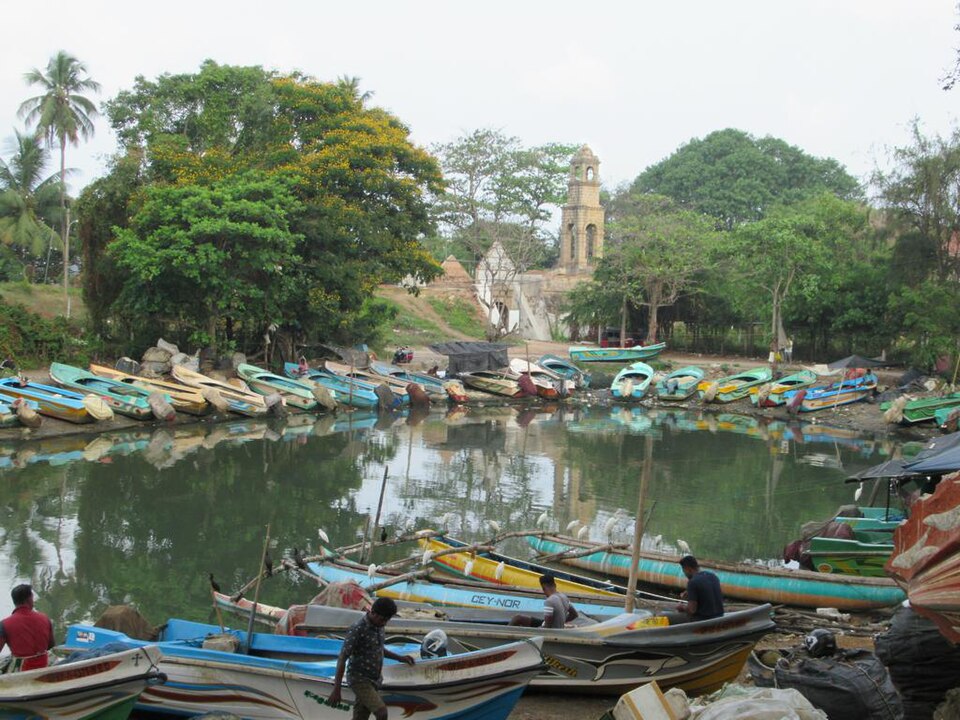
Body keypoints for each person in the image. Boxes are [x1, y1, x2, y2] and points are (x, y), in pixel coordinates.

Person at [329, 597, 415, 719]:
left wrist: (400, 658)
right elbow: (342, 657)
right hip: (359, 679)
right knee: (381, 712)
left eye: (387, 620)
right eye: (382, 619)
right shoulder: (358, 629)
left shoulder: (379, 626)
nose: (384, 623)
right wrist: (336, 689)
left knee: (360, 717)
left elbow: (379, 649)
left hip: (374, 679)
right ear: (372, 612)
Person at [0, 584, 55, 671]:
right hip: (43, 665)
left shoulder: (4, 624)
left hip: (22, 670)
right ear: (29, 599)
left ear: (14, 601)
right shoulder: (45, 618)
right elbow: (51, 645)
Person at [509, 573, 578, 628]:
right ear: (555, 585)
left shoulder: (549, 601)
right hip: (556, 626)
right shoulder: (564, 597)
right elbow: (574, 614)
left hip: (552, 632)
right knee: (519, 618)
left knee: (517, 619)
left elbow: (547, 628)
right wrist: (562, 621)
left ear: (543, 588)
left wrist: (538, 628)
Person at [676, 556, 724, 621]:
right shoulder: (713, 576)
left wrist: (682, 607)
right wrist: (690, 593)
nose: (685, 574)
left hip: (704, 621)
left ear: (688, 569)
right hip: (720, 617)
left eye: (684, 571)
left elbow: (691, 610)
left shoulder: (692, 582)